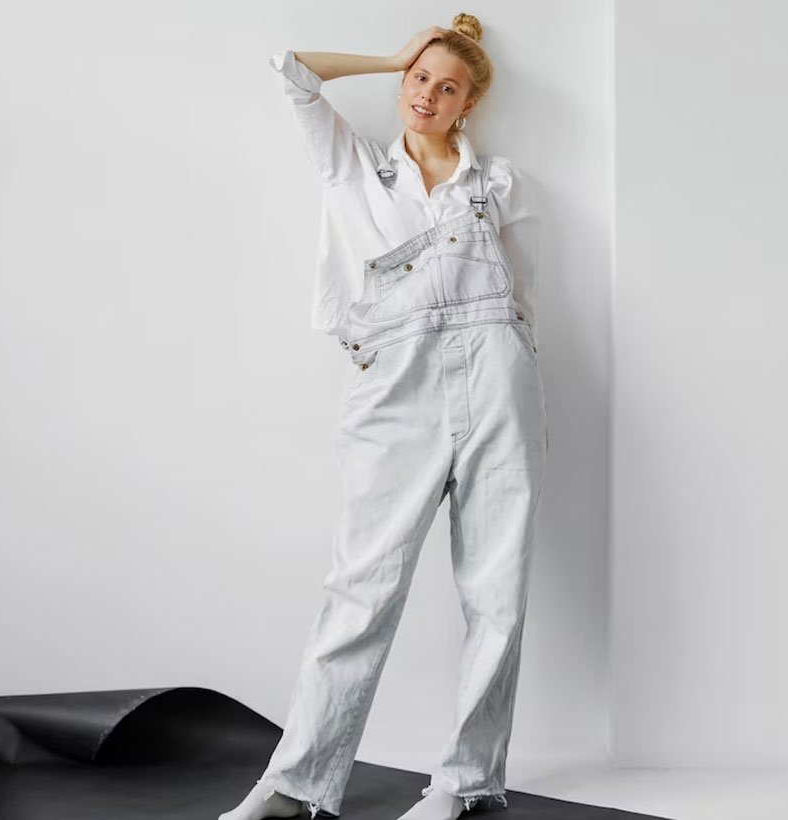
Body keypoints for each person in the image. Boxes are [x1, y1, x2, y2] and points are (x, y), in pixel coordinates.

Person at [220, 14, 548, 820]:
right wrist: (392, 54)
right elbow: (290, 69)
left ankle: (465, 783)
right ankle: (295, 784)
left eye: (447, 86)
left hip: (497, 374)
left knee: (497, 591)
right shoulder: (354, 166)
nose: (426, 94)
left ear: (469, 104)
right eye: (418, 78)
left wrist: (510, 374)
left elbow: (523, 295)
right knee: (360, 587)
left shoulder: (499, 184)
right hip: (393, 385)